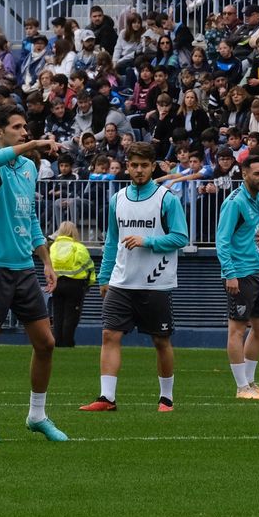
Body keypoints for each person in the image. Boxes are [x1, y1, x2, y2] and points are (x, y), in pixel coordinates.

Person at [0, 105, 67, 443]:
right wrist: (34, 144)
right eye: (17, 127)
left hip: (24, 269)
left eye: (26, 127)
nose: (24, 132)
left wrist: (47, 261)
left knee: (46, 343)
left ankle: (37, 415)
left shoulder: (28, 168)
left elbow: (31, 219)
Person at [80, 142, 189, 414]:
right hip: (121, 282)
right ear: (127, 166)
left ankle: (166, 398)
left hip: (156, 283)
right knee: (109, 335)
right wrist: (104, 277)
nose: (139, 170)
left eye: (144, 165)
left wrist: (147, 241)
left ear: (153, 167)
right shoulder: (117, 199)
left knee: (161, 340)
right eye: (134, 165)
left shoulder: (167, 199)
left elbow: (181, 237)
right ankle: (107, 397)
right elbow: (111, 242)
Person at [216, 155, 259, 400]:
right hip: (239, 273)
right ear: (245, 174)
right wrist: (230, 274)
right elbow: (222, 240)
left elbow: (256, 228)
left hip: (256, 268)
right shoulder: (234, 203)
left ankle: (250, 383)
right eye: (257, 174)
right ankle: (241, 388)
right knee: (237, 329)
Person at [47, 221, 95, 348]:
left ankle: (57, 342)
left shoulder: (53, 247)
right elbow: (89, 267)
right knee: (71, 315)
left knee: (58, 314)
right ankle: (68, 343)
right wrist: (90, 283)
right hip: (75, 285)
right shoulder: (78, 247)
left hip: (57, 284)